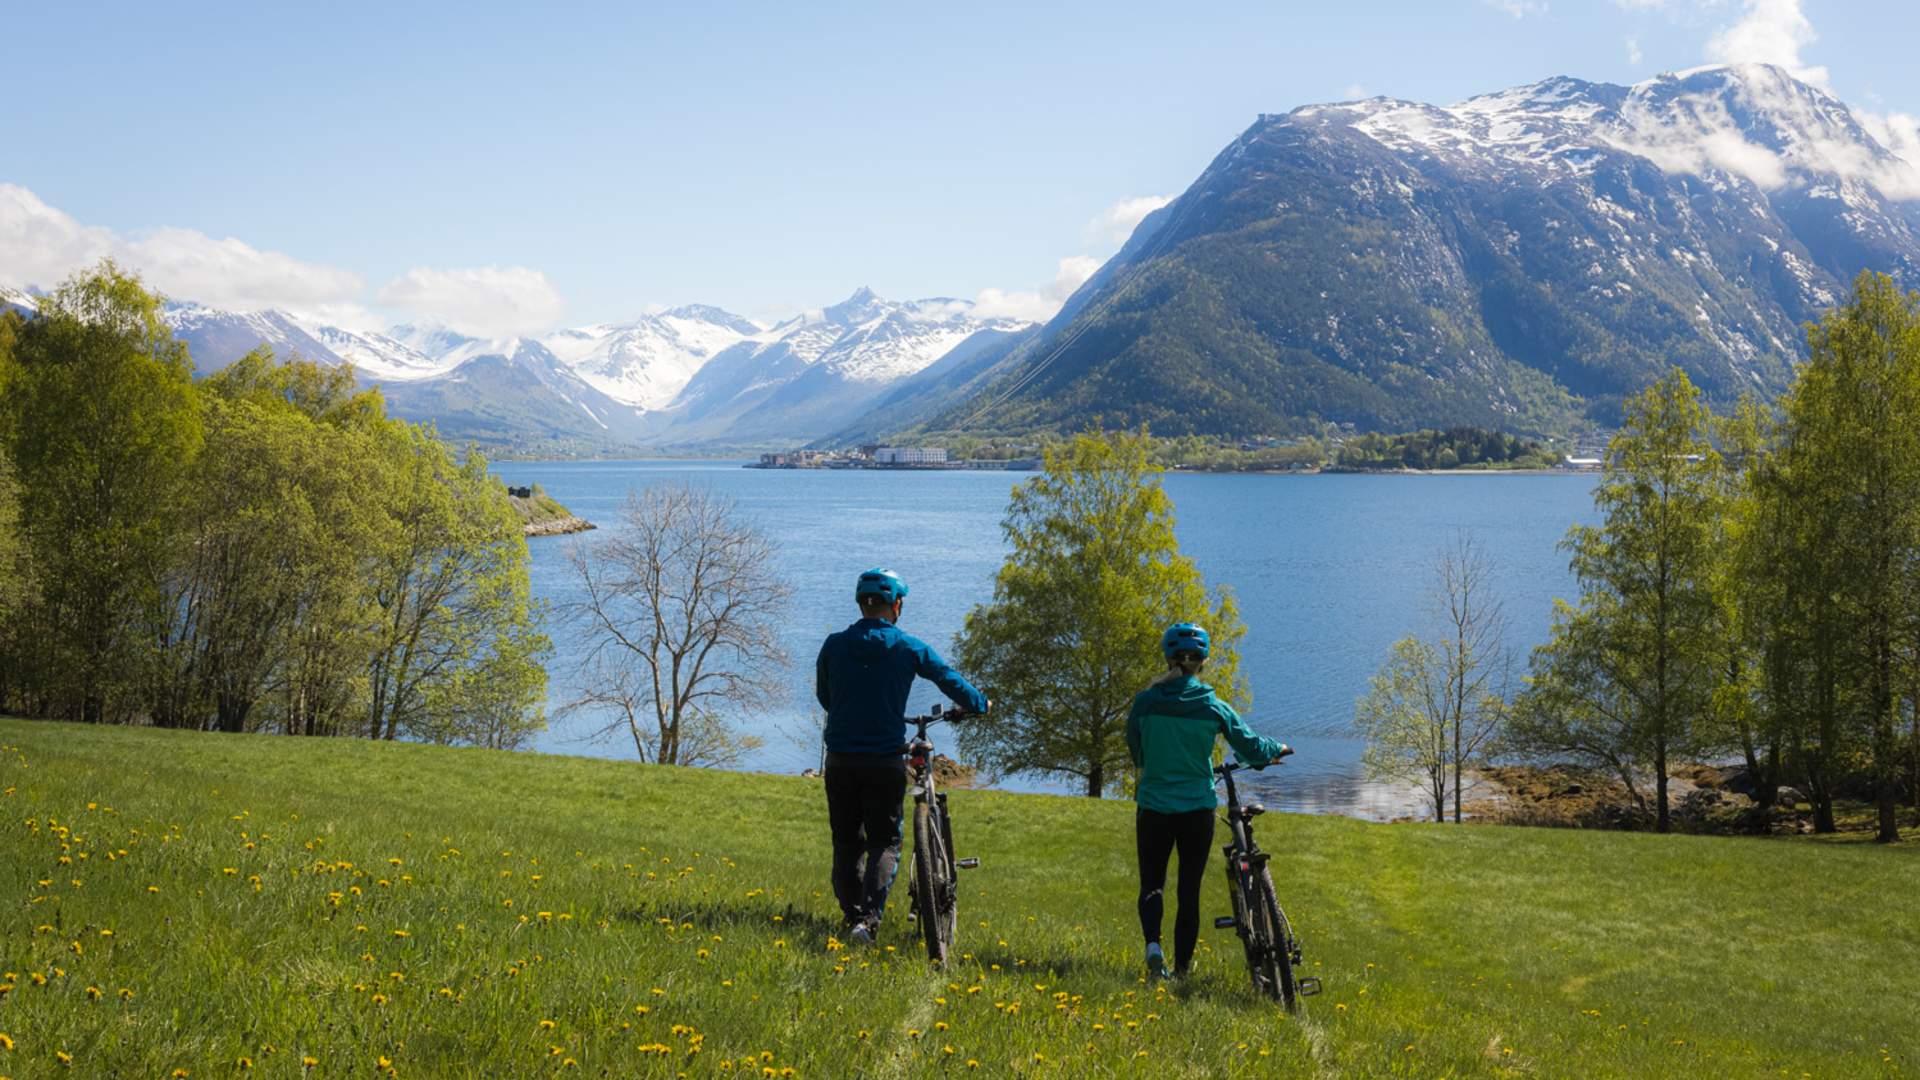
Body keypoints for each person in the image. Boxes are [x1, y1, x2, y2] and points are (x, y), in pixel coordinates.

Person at [816, 568, 989, 944]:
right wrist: (979, 703)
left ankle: (852, 916)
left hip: (841, 759)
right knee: (885, 841)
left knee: (846, 841)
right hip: (884, 760)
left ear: (862, 603)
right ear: (896, 605)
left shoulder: (833, 645)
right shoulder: (907, 647)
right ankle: (869, 921)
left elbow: (825, 696)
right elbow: (947, 677)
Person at [1126, 622, 1287, 980]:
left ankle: (1154, 948)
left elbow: (1135, 749)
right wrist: (1277, 749)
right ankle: (1182, 971)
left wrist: (1150, 763)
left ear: (1168, 659)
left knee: (1152, 883)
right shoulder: (1212, 706)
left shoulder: (1145, 702)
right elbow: (1250, 747)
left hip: (1154, 806)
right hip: (1196, 808)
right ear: (1203, 662)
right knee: (1189, 889)